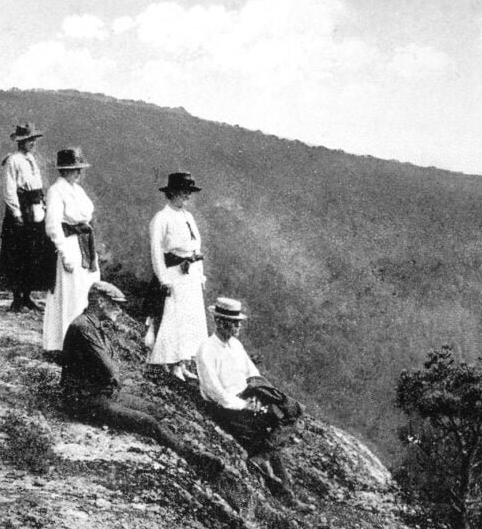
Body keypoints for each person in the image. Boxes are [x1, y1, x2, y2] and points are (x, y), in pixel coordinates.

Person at [61, 281, 223, 477]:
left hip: (103, 393)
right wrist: (111, 373)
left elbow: (112, 365)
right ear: (101, 302)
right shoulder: (83, 327)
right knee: (148, 423)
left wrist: (111, 373)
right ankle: (194, 458)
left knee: (157, 411)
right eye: (116, 304)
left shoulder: (93, 326)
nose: (120, 310)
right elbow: (111, 368)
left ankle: (184, 447)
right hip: (84, 401)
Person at [196, 297, 304, 501]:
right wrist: (245, 406)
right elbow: (216, 393)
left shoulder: (236, 345)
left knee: (289, 414)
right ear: (219, 321)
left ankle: (272, 471)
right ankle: (284, 496)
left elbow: (253, 375)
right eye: (233, 321)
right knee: (261, 440)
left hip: (248, 399)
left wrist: (259, 399)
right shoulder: (207, 350)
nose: (238, 326)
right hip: (227, 409)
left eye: (238, 321)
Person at [147, 172, 208, 381]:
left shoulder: (187, 216)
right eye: (183, 191)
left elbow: (195, 248)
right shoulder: (161, 218)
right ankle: (171, 364)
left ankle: (182, 363)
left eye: (189, 192)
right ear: (172, 192)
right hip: (173, 274)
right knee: (173, 320)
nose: (187, 196)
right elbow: (156, 252)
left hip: (190, 275)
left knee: (188, 320)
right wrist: (163, 279)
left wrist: (200, 274)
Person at [42, 147, 101, 352]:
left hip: (83, 244)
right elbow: (52, 225)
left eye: (79, 168)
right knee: (70, 294)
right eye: (74, 168)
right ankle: (65, 343)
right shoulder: (55, 191)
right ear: (64, 170)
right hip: (69, 245)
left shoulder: (78, 190)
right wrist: (64, 253)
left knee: (85, 291)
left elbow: (86, 215)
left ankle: (84, 340)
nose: (78, 172)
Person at [0, 123, 56, 312]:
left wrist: (42, 205)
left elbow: (36, 185)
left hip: (35, 207)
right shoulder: (13, 160)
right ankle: (17, 298)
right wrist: (16, 213)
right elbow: (9, 188)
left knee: (33, 251)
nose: (32, 143)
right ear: (20, 141)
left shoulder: (31, 159)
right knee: (17, 252)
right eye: (29, 140)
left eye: (33, 140)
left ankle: (28, 295)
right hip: (21, 208)